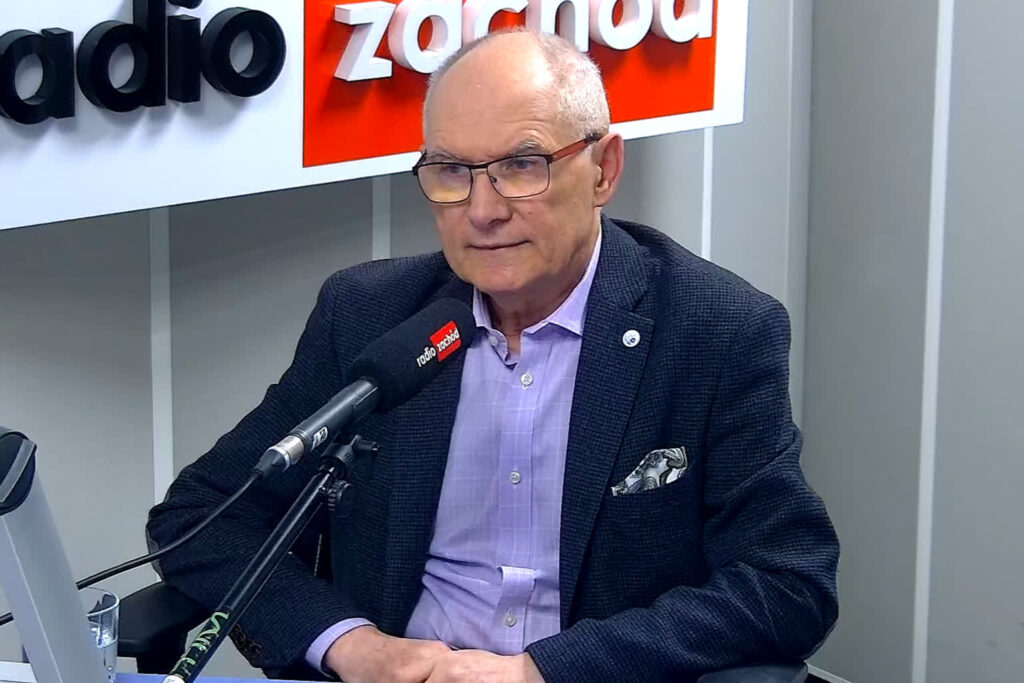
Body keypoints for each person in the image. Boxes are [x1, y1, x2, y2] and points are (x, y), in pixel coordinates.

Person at [147, 28, 839, 683]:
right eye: (452, 171)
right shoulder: (370, 316)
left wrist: (546, 670)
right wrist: (350, 644)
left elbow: (786, 581)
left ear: (603, 170)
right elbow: (204, 516)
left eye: (521, 166)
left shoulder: (714, 329)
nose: (482, 210)